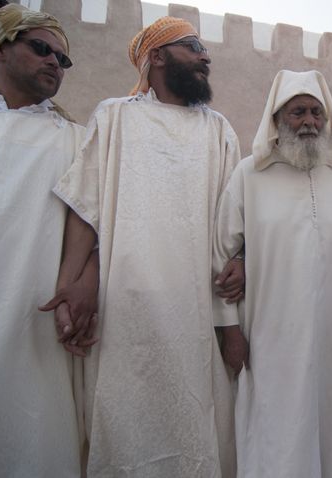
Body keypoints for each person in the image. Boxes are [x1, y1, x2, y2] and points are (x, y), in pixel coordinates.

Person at [52, 16, 241, 477]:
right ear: (156, 57)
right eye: (193, 46)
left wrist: (237, 270)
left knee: (199, 427)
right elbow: (85, 210)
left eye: (203, 48)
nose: (205, 56)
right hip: (123, 314)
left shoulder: (219, 130)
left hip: (194, 312)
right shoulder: (115, 115)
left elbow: (231, 227)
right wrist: (69, 287)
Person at [0, 4, 95, 476]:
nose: (55, 62)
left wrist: (83, 284)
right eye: (41, 49)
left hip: (34, 326)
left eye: (63, 57)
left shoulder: (76, 140)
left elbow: (95, 224)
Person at [213, 69, 332, 478]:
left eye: (316, 112)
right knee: (274, 424)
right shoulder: (249, 174)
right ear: (278, 119)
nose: (310, 121)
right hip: (269, 335)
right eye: (298, 112)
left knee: (328, 416)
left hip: (330, 333)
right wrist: (229, 329)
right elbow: (222, 255)